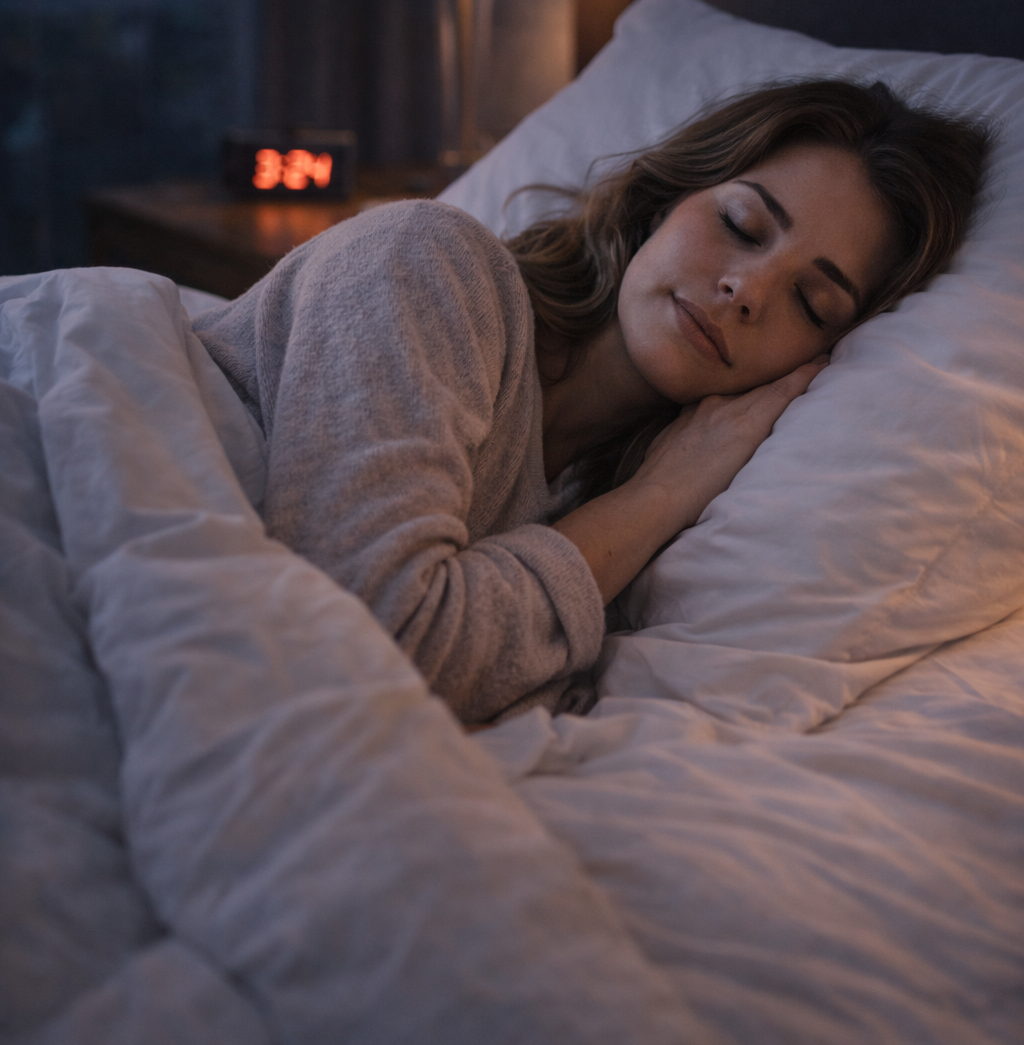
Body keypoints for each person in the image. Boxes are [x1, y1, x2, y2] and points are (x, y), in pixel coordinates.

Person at [193, 79, 989, 725]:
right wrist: (660, 495)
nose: (746, 290)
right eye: (742, 224)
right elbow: (363, 651)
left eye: (812, 305)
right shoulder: (425, 265)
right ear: (662, 203)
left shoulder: (609, 531)